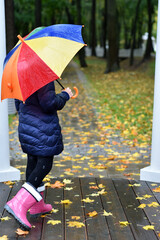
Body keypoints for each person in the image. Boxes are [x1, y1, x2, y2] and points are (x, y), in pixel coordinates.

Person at [4, 81, 73, 230]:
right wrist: (65, 95)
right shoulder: (42, 77)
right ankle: (18, 203)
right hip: (43, 128)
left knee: (33, 161)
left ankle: (37, 206)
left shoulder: (22, 74)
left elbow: (17, 104)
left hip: (27, 125)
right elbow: (48, 103)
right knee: (44, 164)